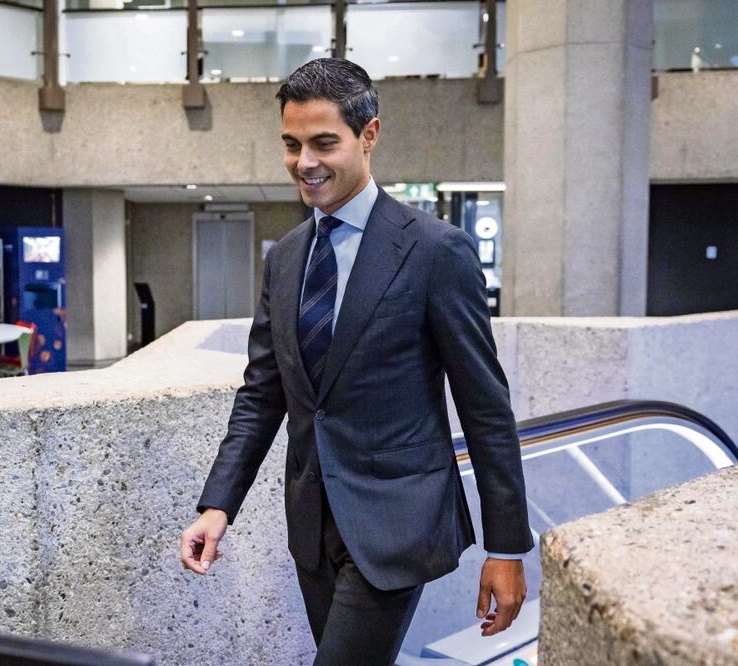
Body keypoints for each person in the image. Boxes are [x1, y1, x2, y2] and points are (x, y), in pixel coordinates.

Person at [179, 58, 533, 664]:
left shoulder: (434, 250)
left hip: (398, 524)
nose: (304, 162)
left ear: (369, 135)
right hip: (313, 526)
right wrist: (219, 504)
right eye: (291, 145)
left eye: (323, 143)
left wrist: (505, 547)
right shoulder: (286, 258)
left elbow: (484, 405)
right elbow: (263, 392)